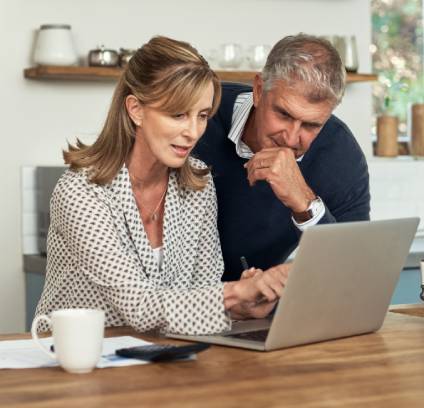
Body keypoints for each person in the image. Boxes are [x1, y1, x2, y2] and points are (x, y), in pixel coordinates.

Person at [34, 36, 288, 335]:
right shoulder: (81, 192)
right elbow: (138, 305)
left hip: (162, 358)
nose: (193, 132)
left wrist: (240, 306)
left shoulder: (198, 186)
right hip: (75, 360)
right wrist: (234, 294)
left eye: (202, 115)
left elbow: (202, 290)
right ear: (135, 109)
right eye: (178, 114)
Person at [194, 34, 370, 282]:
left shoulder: (339, 153)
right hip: (176, 304)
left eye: (311, 125)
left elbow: (354, 270)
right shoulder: (200, 117)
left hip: (257, 308)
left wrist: (306, 204)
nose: (291, 138)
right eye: (284, 114)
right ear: (258, 90)